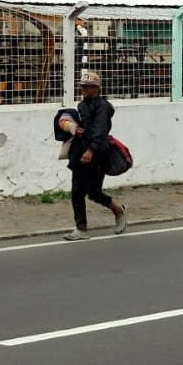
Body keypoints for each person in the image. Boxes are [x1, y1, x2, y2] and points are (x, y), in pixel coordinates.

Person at [64, 71, 127, 241]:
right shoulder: (82, 106)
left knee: (93, 192)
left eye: (88, 86)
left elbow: (100, 131)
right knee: (77, 191)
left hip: (97, 155)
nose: (84, 89)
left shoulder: (102, 107)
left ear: (97, 88)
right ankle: (81, 228)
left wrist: (90, 150)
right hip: (80, 154)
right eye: (83, 86)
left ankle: (118, 209)